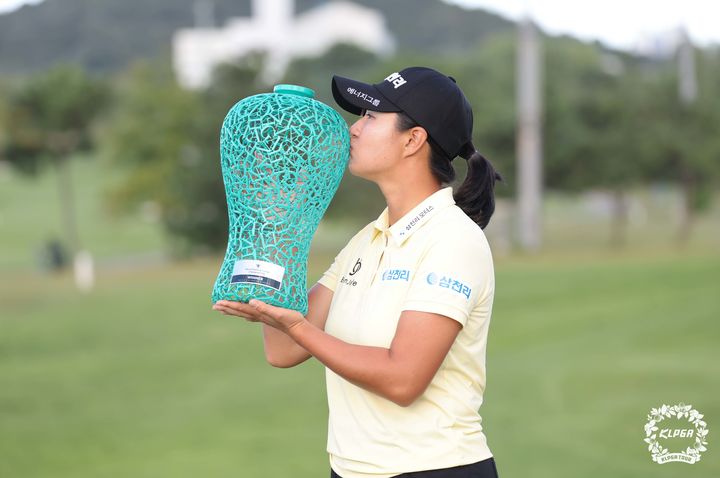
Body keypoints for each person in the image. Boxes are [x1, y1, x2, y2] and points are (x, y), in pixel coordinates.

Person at [213, 66, 502, 478]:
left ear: (413, 139)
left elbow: (403, 379)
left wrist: (299, 329)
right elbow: (282, 351)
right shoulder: (368, 239)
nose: (353, 129)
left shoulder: (453, 240)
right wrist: (275, 218)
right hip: (350, 471)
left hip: (434, 469)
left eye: (369, 117)